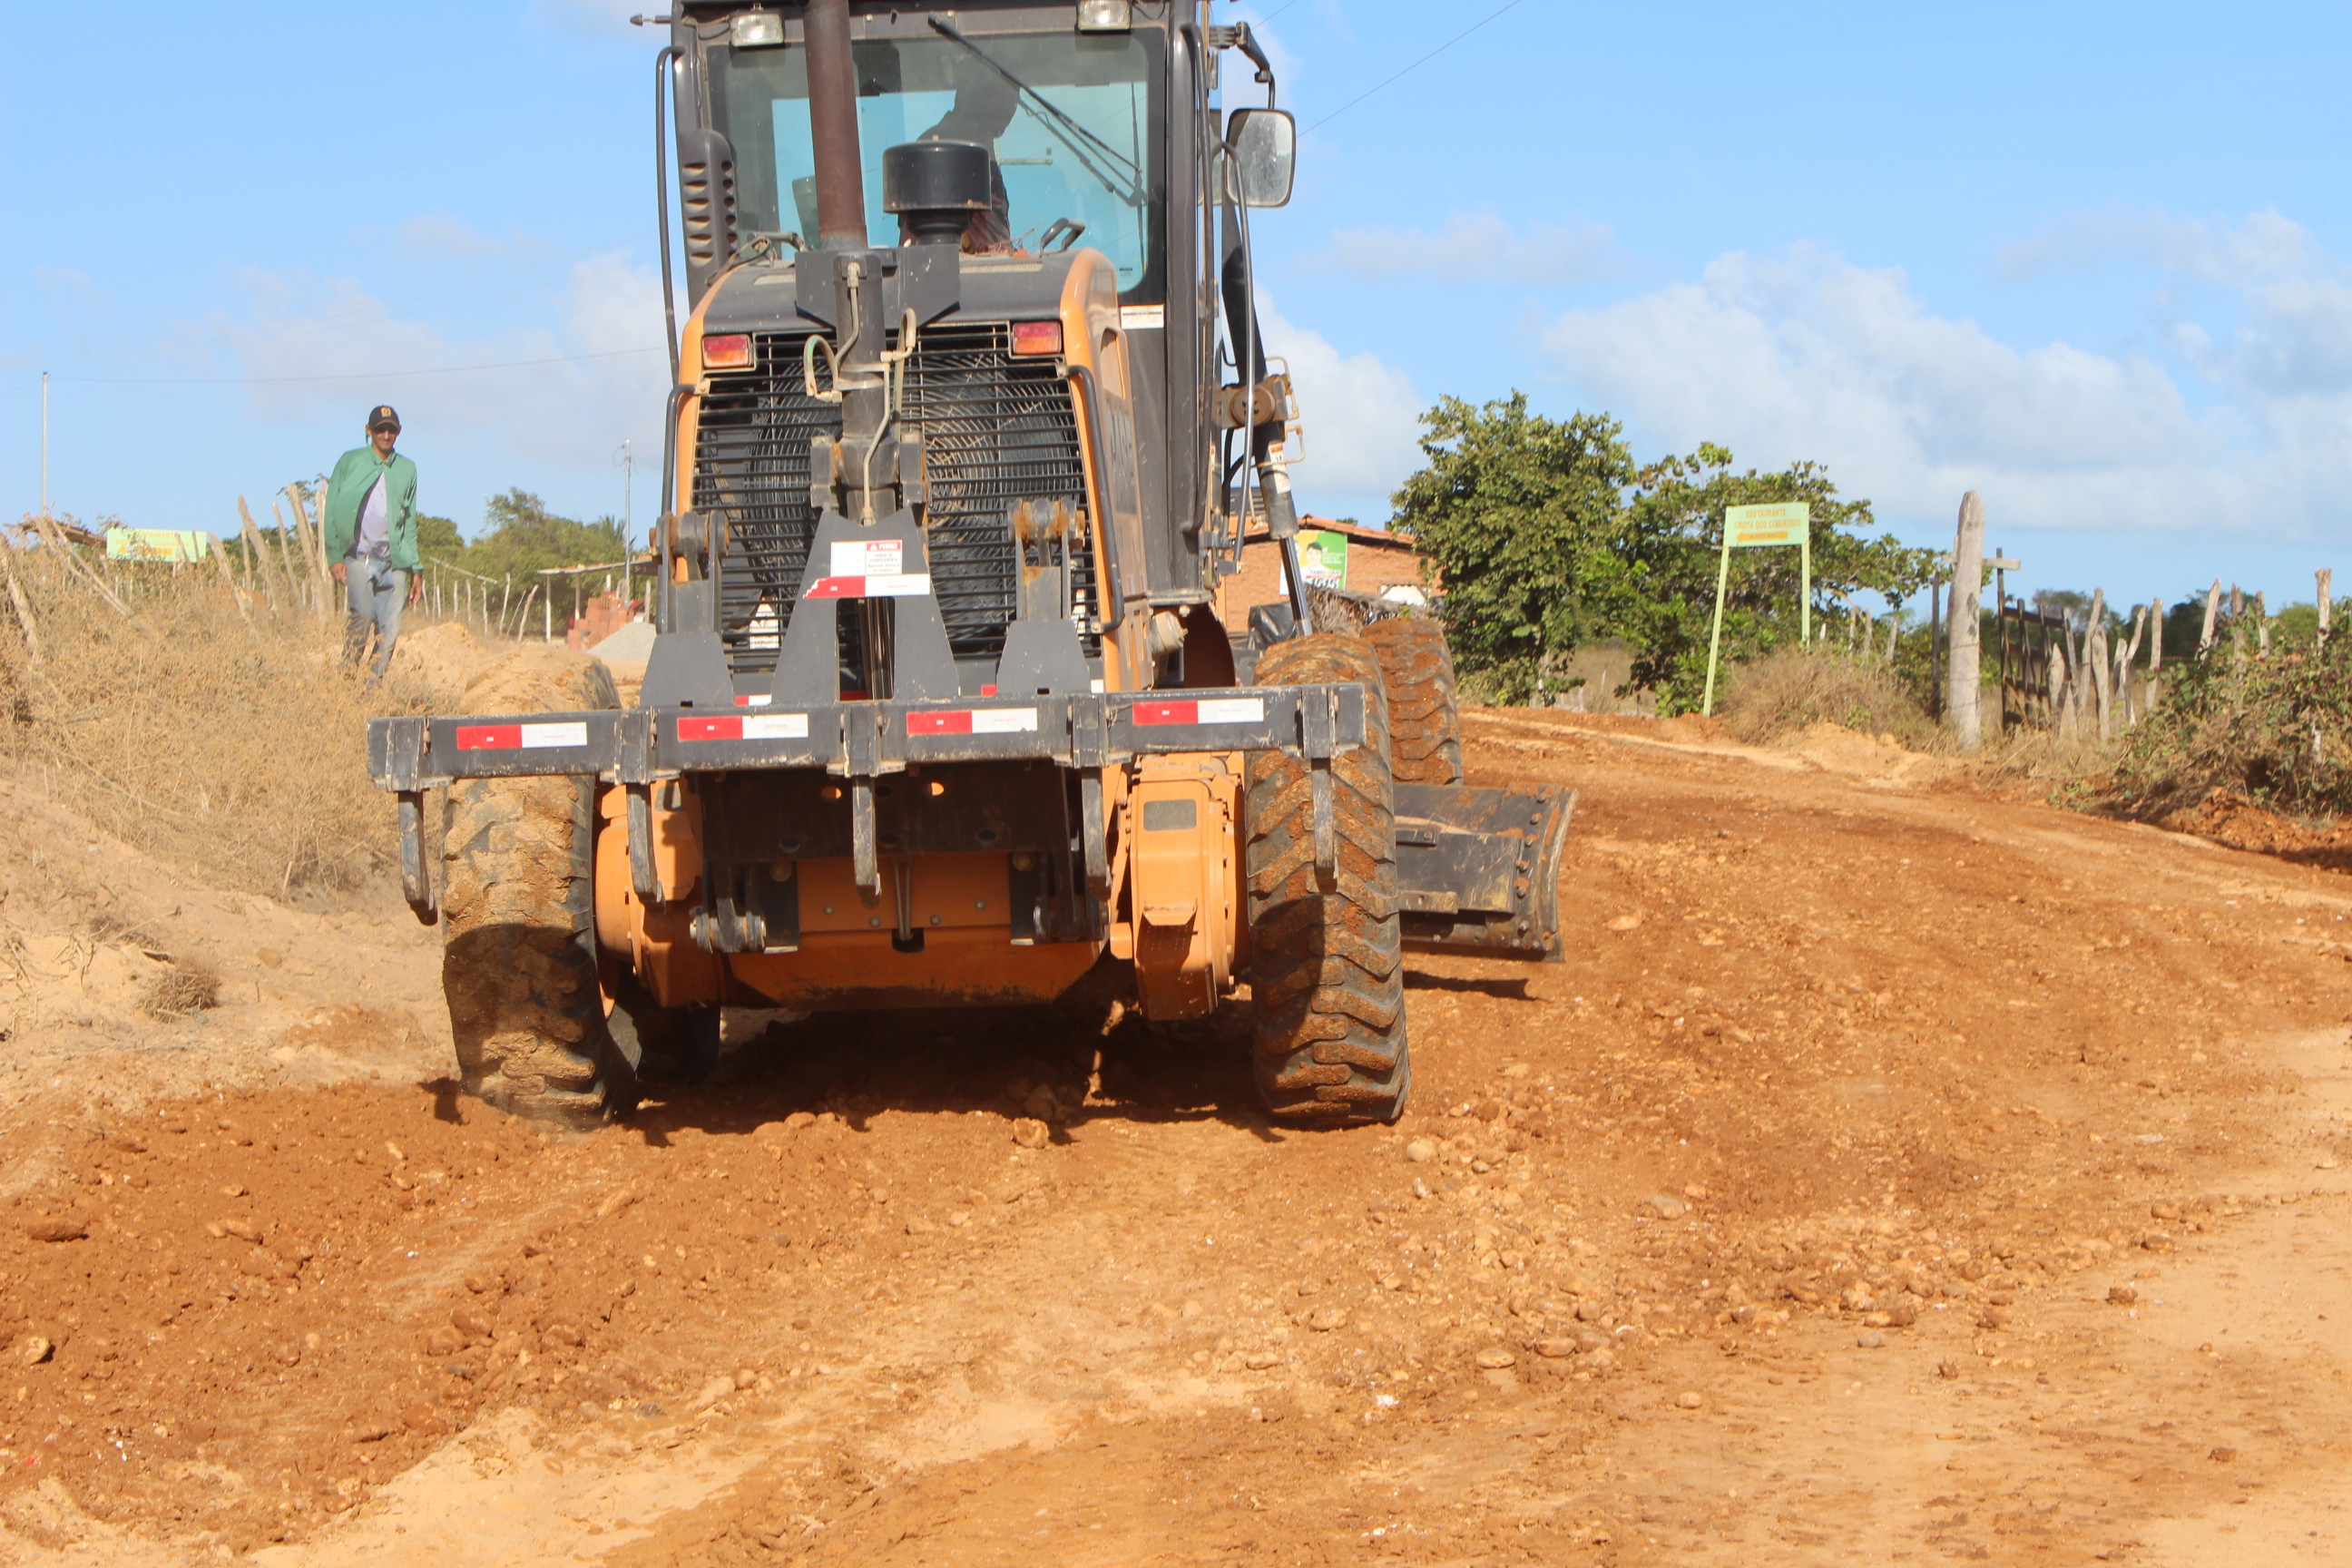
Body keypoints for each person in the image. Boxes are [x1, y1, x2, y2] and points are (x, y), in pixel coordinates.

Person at [323, 406, 423, 681]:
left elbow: (409, 521)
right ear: (369, 431)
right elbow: (331, 508)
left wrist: (417, 568)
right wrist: (334, 555)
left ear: (399, 432)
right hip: (359, 557)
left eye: (391, 429)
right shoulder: (350, 461)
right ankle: (346, 675)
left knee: (389, 631)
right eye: (380, 429)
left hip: (396, 562)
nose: (386, 434)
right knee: (363, 615)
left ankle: (371, 688)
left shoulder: (407, 469)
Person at [914, 65, 1018, 251]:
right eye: (999, 97)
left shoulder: (982, 145)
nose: (1009, 109)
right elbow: (922, 245)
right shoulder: (939, 150)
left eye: (1014, 100)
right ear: (969, 96)